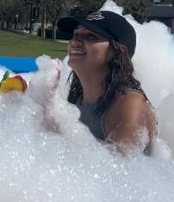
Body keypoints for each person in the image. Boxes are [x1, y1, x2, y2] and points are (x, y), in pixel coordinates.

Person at [55, 10, 157, 155]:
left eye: (91, 36)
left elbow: (120, 170)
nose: (74, 42)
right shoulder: (78, 99)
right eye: (75, 35)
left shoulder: (129, 104)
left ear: (117, 51)